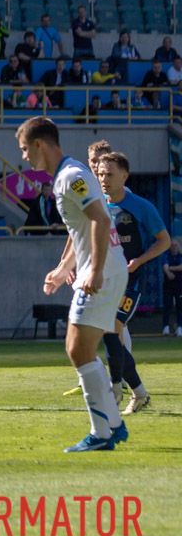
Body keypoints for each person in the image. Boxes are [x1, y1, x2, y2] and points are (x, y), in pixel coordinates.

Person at [14, 117, 129, 452]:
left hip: (103, 269)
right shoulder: (70, 174)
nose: (24, 158)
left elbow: (100, 218)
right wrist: (64, 268)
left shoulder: (71, 176)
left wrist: (92, 270)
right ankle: (114, 425)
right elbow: (80, 226)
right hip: (105, 267)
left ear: (39, 145)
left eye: (24, 149)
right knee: (80, 348)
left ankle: (102, 433)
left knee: (78, 349)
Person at [93, 150, 169, 415]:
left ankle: (115, 389)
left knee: (112, 328)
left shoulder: (140, 206)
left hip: (130, 280)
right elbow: (77, 234)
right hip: (102, 279)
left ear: (124, 176)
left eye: (109, 174)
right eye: (100, 173)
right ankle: (138, 392)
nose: (103, 179)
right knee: (108, 334)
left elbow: (164, 241)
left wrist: (139, 260)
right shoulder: (96, 204)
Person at [163, 238, 182, 336]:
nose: (174, 247)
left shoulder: (180, 256)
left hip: (179, 284)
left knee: (180, 306)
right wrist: (168, 272)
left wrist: (171, 268)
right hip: (168, 285)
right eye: (172, 245)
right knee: (167, 306)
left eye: (175, 245)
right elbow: (165, 267)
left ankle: (180, 328)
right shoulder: (167, 256)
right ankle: (165, 327)